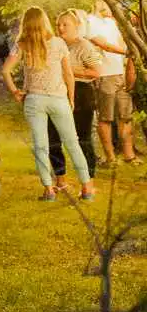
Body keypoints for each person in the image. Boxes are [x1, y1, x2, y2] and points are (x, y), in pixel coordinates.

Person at [3, 6, 94, 202]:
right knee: (73, 143)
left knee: (41, 146)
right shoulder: (58, 42)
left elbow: (5, 70)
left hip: (34, 100)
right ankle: (87, 188)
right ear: (44, 21)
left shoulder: (22, 44)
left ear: (26, 23)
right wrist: (71, 97)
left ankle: (49, 190)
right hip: (58, 99)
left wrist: (15, 92)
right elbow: (68, 74)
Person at [58, 10, 103, 184]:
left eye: (65, 24)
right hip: (60, 92)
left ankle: (89, 174)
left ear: (76, 26)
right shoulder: (57, 45)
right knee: (60, 136)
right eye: (58, 25)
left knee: (82, 136)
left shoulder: (84, 46)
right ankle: (60, 175)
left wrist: (68, 69)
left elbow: (96, 72)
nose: (61, 28)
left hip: (82, 92)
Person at [85, 0, 132, 163]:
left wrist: (127, 61)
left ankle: (129, 155)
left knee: (126, 116)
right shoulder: (90, 21)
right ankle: (110, 157)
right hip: (104, 74)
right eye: (106, 2)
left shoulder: (111, 23)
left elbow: (121, 42)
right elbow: (103, 45)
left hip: (120, 73)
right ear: (97, 3)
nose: (111, 6)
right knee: (105, 117)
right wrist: (129, 52)